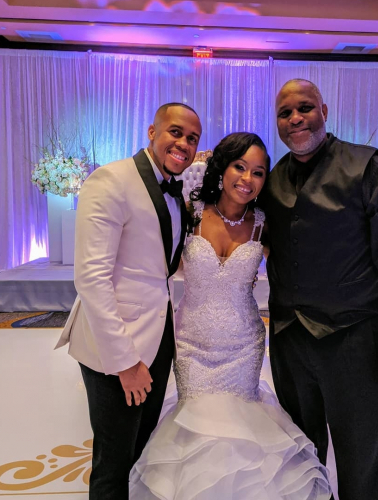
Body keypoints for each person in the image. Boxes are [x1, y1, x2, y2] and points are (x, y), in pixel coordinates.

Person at [129, 132, 332, 499]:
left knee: (240, 430)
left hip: (243, 345)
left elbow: (301, 265)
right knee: (199, 429)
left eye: (258, 172)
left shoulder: (264, 224)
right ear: (222, 168)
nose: (247, 179)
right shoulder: (189, 214)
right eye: (239, 167)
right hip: (191, 345)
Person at [263, 79, 378, 500]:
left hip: (358, 339)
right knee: (299, 456)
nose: (295, 118)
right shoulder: (272, 177)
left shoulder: (367, 167)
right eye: (285, 113)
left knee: (364, 457)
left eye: (305, 108)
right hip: (290, 339)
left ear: (324, 111)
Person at [55, 103, 202, 500]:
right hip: (116, 348)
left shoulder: (176, 191)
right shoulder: (111, 180)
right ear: (152, 131)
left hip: (158, 338)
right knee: (114, 463)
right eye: (175, 132)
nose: (183, 144)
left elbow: (163, 264)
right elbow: (91, 278)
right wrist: (125, 362)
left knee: (140, 452)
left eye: (192, 138)